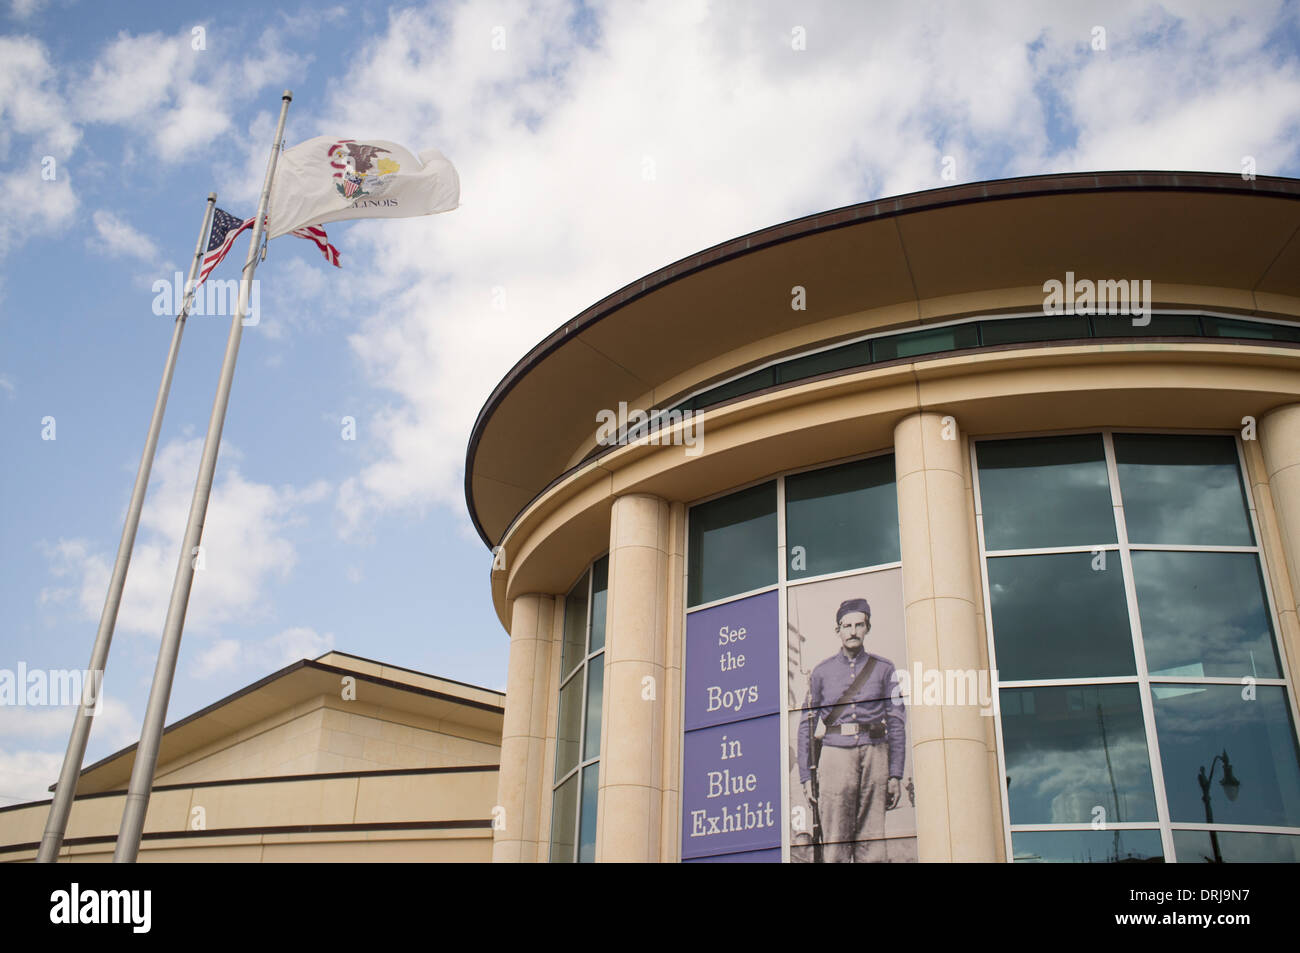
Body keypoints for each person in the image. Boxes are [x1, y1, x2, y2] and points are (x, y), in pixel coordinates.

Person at [797, 597, 905, 863]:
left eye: (859, 625)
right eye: (847, 626)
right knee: (835, 842)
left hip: (875, 754)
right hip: (835, 755)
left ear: (867, 628)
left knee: (873, 842)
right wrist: (806, 775)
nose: (853, 631)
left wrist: (895, 774)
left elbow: (896, 721)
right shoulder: (821, 672)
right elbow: (806, 724)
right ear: (838, 630)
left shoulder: (884, 669)